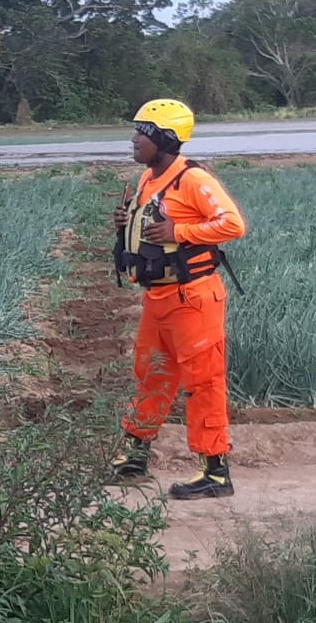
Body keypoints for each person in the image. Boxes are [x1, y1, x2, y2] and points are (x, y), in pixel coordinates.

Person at [110, 99, 246, 500]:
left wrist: (180, 232)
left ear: (165, 139)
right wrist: (126, 222)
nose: (134, 140)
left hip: (193, 297)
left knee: (203, 382)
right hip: (159, 297)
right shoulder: (147, 180)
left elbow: (232, 224)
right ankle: (136, 456)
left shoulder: (193, 179)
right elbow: (150, 222)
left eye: (143, 133)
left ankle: (216, 472)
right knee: (151, 374)